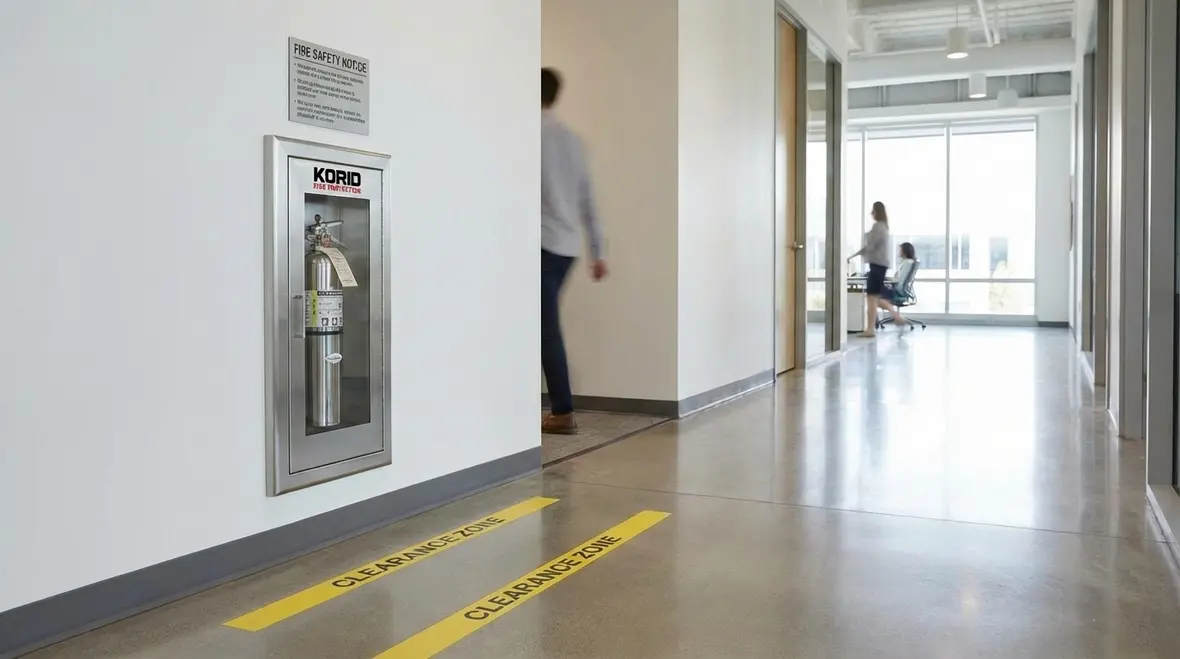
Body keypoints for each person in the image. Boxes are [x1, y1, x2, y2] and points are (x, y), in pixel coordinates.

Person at [540, 67, 607, 435]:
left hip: (540, 244)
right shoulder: (573, 140)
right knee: (541, 326)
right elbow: (588, 200)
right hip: (567, 247)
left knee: (544, 329)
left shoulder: (528, 134)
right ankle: (555, 409)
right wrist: (598, 252)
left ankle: (563, 412)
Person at [847, 201, 901, 336]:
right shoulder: (884, 227)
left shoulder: (878, 227)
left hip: (877, 265)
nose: (871, 214)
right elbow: (869, 247)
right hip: (880, 266)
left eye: (873, 211)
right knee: (873, 297)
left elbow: (870, 246)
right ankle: (893, 316)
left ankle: (871, 329)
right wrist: (855, 255)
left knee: (871, 297)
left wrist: (855, 255)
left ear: (877, 212)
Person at [879, 242, 916, 325]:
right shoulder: (908, 262)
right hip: (901, 290)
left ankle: (877, 318)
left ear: (904, 251)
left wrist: (890, 280)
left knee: (874, 290)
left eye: (900, 250)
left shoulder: (907, 263)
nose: (899, 252)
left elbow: (900, 280)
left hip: (898, 292)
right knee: (875, 290)